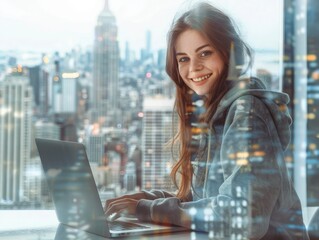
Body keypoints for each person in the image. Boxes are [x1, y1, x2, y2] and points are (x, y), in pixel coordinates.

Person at [105, 2, 309, 239]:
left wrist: (148, 210)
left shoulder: (247, 112)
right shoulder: (213, 111)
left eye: (205, 53)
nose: (193, 68)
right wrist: (150, 200)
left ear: (230, 53)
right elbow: (210, 200)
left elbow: (244, 218)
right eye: (183, 59)